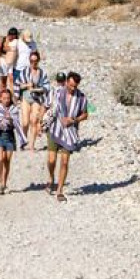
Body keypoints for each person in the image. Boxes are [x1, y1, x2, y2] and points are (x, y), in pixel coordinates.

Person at [44, 71, 90, 202]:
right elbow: (46, 106)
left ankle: (60, 190)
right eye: (70, 85)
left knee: (64, 161)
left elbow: (85, 114)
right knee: (52, 160)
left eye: (75, 86)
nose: (72, 88)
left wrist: (74, 120)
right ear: (66, 82)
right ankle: (51, 178)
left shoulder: (81, 97)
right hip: (55, 129)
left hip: (70, 133)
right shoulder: (56, 92)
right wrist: (40, 124)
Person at [0, 88, 26, 195]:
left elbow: (17, 124)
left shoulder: (14, 109)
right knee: (0, 158)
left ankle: (4, 183)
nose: (6, 100)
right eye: (4, 98)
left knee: (7, 161)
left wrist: (10, 120)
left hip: (10, 136)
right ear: (0, 98)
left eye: (8, 98)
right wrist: (1, 121)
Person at [17, 51, 49, 151]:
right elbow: (18, 84)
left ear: (38, 60)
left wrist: (36, 89)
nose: (33, 63)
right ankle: (23, 141)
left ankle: (31, 146)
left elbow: (46, 87)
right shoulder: (24, 72)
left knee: (34, 121)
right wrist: (27, 85)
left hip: (37, 98)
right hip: (26, 97)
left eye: (35, 61)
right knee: (25, 122)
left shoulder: (42, 73)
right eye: (31, 61)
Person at [0, 27, 20, 92]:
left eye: (14, 37)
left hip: (12, 62)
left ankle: (11, 94)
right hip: (2, 61)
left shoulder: (16, 41)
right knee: (3, 79)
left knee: (12, 79)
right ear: (8, 34)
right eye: (11, 36)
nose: (12, 38)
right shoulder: (2, 39)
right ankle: (2, 94)